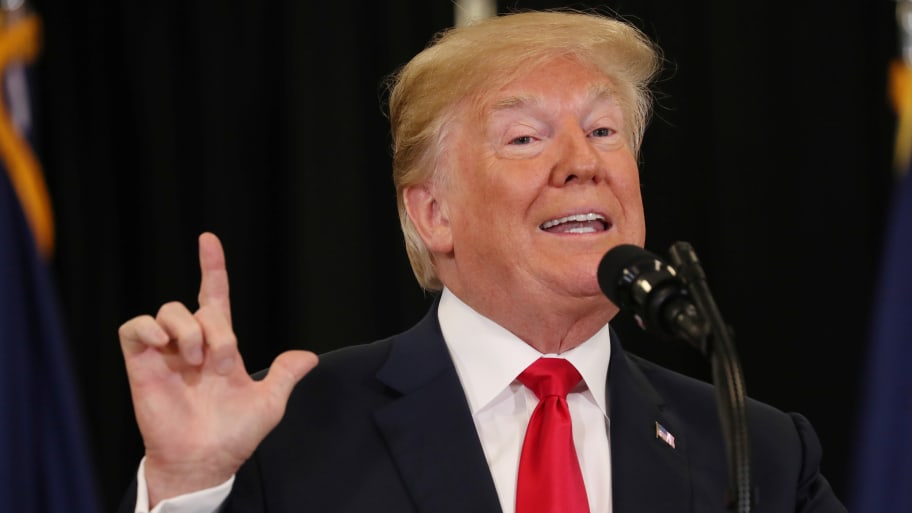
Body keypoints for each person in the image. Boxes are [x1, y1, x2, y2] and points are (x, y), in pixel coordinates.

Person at [117, 10, 849, 513]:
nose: (582, 162)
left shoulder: (758, 451)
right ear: (433, 212)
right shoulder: (296, 433)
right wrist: (188, 484)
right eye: (526, 138)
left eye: (603, 128)